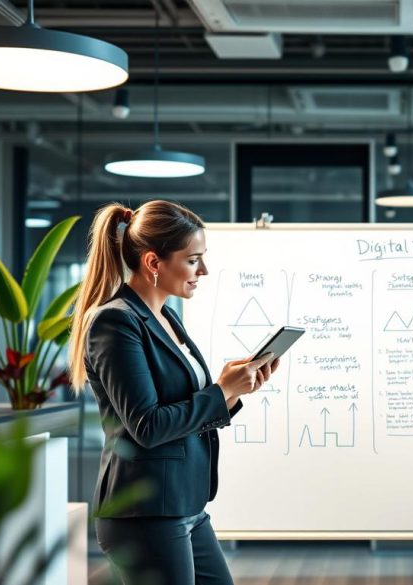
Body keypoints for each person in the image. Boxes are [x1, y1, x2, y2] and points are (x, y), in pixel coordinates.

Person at [68, 200, 280, 585]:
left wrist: (232, 390)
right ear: (153, 263)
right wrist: (221, 390)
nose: (204, 270)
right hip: (145, 511)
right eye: (193, 259)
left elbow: (182, 404)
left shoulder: (167, 318)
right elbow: (146, 425)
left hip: (185, 503)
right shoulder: (115, 322)